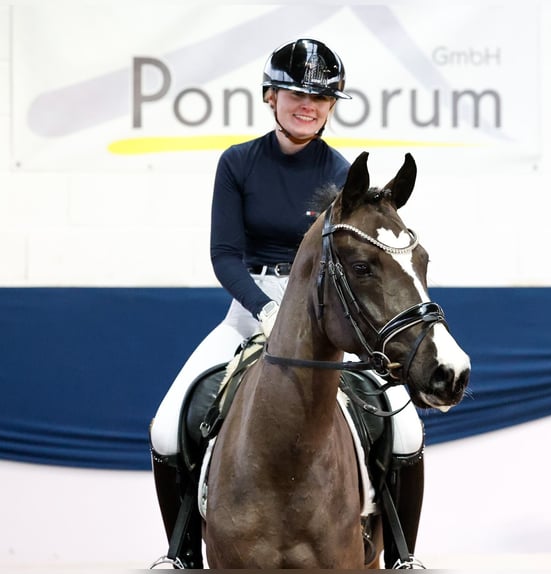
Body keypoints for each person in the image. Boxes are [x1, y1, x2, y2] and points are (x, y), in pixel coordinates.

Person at [148, 38, 425, 569]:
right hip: (250, 305)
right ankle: (182, 552)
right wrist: (264, 308)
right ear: (270, 96)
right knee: (166, 426)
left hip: (319, 316)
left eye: (320, 99)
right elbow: (225, 254)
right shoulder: (238, 163)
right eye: (296, 93)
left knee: (406, 427)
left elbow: (350, 265)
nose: (308, 105)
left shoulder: (346, 174)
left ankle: (401, 557)